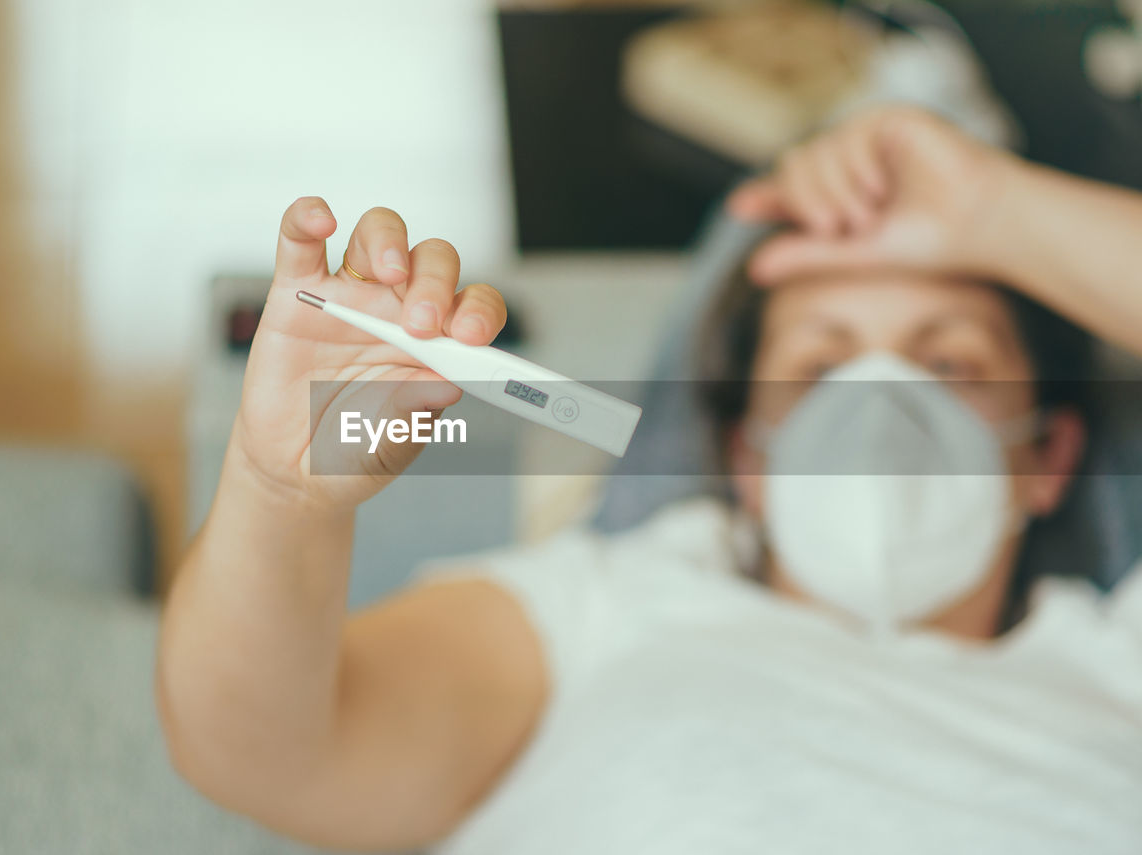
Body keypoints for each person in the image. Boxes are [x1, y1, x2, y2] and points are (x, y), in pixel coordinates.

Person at [155, 106, 1142, 853]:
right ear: (749, 462)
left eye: (948, 366)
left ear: (1046, 457)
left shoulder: (1116, 666)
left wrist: (993, 211)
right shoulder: (601, 605)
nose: (877, 409)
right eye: (818, 367)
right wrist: (278, 496)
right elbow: (266, 756)